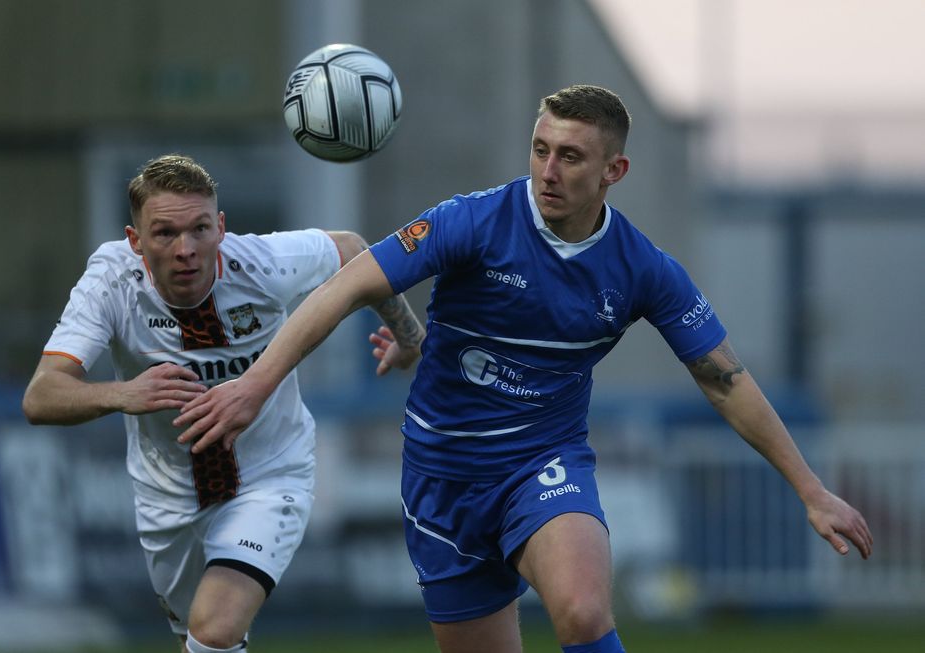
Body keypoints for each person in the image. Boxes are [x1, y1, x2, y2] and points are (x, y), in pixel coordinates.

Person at [172, 86, 874, 653]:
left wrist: (811, 490)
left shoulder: (643, 269)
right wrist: (258, 382)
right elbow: (346, 287)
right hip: (441, 479)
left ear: (614, 171)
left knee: (583, 611)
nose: (548, 170)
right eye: (540, 149)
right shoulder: (472, 222)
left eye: (570, 156)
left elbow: (725, 380)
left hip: (542, 462)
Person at [21, 154, 425, 653]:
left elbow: (357, 252)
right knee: (199, 642)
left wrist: (408, 336)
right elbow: (41, 396)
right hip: (167, 494)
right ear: (135, 240)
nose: (186, 250)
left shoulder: (261, 263)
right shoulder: (110, 283)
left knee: (214, 630)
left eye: (200, 229)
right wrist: (123, 393)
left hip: (268, 476)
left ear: (221, 228)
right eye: (165, 233)